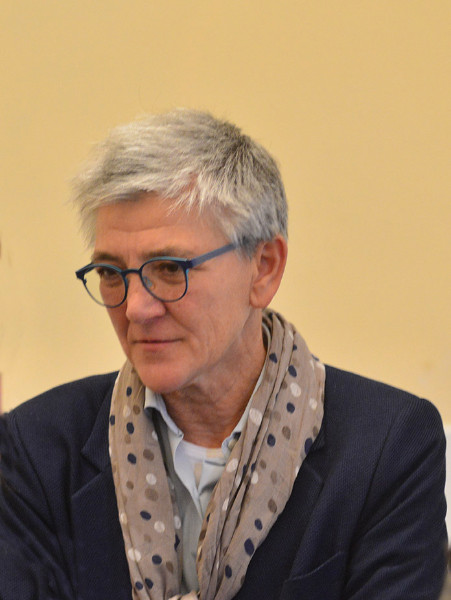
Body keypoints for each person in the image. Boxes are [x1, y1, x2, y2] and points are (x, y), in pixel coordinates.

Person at [0, 109, 447, 600]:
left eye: (169, 268)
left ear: (264, 269)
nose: (135, 308)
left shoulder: (387, 447)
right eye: (110, 274)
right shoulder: (34, 449)